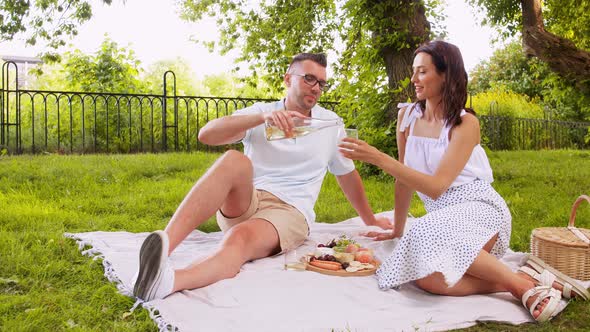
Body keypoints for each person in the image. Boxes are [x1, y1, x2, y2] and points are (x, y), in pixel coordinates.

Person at [338, 41, 588, 322]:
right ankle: (521, 276)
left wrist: (379, 158)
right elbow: (403, 179)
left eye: (422, 72)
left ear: (445, 75)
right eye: (413, 71)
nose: (413, 79)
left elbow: (436, 186)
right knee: (424, 278)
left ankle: (522, 289)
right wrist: (397, 229)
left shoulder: (465, 123)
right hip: (443, 220)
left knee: (422, 232)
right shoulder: (406, 117)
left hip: (480, 210)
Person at [132, 52, 391, 301]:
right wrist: (261, 119)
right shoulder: (263, 112)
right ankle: (162, 251)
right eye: (309, 78)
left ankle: (167, 282)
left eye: (321, 83)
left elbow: (346, 174)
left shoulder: (331, 123)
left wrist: (370, 220)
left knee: (239, 238)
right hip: (248, 201)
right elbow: (206, 135)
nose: (316, 88)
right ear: (288, 79)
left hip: (289, 211)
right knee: (234, 160)